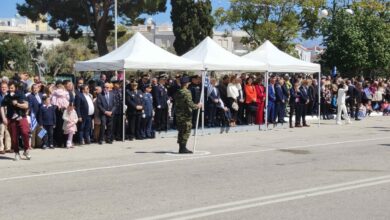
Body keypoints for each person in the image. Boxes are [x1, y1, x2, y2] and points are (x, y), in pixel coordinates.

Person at [1, 82, 31, 160]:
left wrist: (17, 104)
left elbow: (26, 106)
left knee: (25, 133)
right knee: (14, 138)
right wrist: (4, 118)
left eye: (12, 88)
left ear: (16, 88)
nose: (10, 90)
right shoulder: (7, 97)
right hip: (11, 119)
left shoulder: (21, 95)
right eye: (9, 88)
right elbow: (1, 106)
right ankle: (16, 152)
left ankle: (26, 150)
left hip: (21, 117)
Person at [175, 76, 202, 154]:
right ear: (186, 84)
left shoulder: (178, 91)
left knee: (181, 131)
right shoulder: (187, 92)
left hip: (179, 114)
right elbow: (190, 103)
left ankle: (181, 147)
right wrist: (197, 106)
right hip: (186, 115)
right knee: (186, 131)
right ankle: (183, 148)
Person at [28, 83, 43, 148]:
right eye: (33, 88)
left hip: (41, 116)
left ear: (38, 89)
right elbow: (29, 106)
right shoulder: (30, 96)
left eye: (36, 88)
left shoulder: (41, 95)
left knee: (41, 130)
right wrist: (32, 114)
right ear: (31, 89)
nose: (35, 89)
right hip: (34, 116)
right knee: (33, 131)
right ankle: (32, 144)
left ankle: (40, 144)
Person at [0, 82, 11, 154]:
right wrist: (3, 118)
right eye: (2, 87)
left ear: (7, 88)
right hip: (0, 118)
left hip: (9, 117)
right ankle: (1, 148)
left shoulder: (9, 96)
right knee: (1, 133)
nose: (3, 88)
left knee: (8, 133)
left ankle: (8, 148)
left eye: (5, 87)